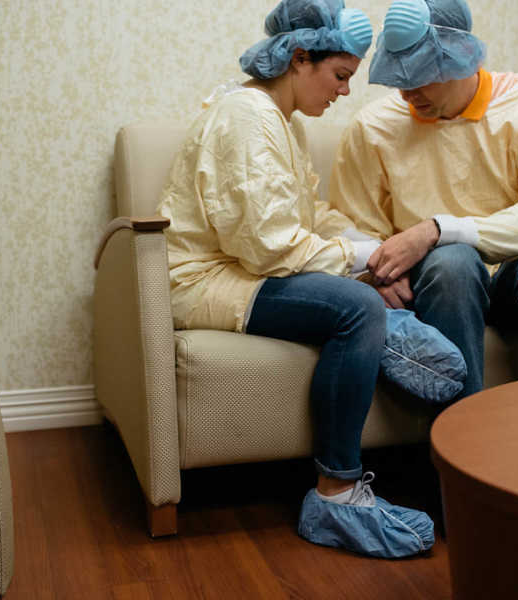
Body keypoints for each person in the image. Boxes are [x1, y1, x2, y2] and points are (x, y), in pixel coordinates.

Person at [156, 0, 436, 558]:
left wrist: (374, 253)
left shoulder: (281, 122)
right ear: (299, 57)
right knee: (357, 308)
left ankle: (394, 334)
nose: (345, 93)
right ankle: (336, 492)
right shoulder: (246, 115)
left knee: (371, 285)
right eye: (339, 76)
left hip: (241, 271)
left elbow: (309, 216)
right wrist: (361, 264)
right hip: (205, 280)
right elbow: (267, 246)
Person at [329, 0, 518, 399]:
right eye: (400, 77)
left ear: (462, 58)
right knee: (453, 261)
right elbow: (350, 223)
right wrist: (374, 275)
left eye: (421, 76)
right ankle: (459, 445)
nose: (407, 92)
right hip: (435, 284)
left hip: (516, 280)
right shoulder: (373, 126)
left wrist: (437, 230)